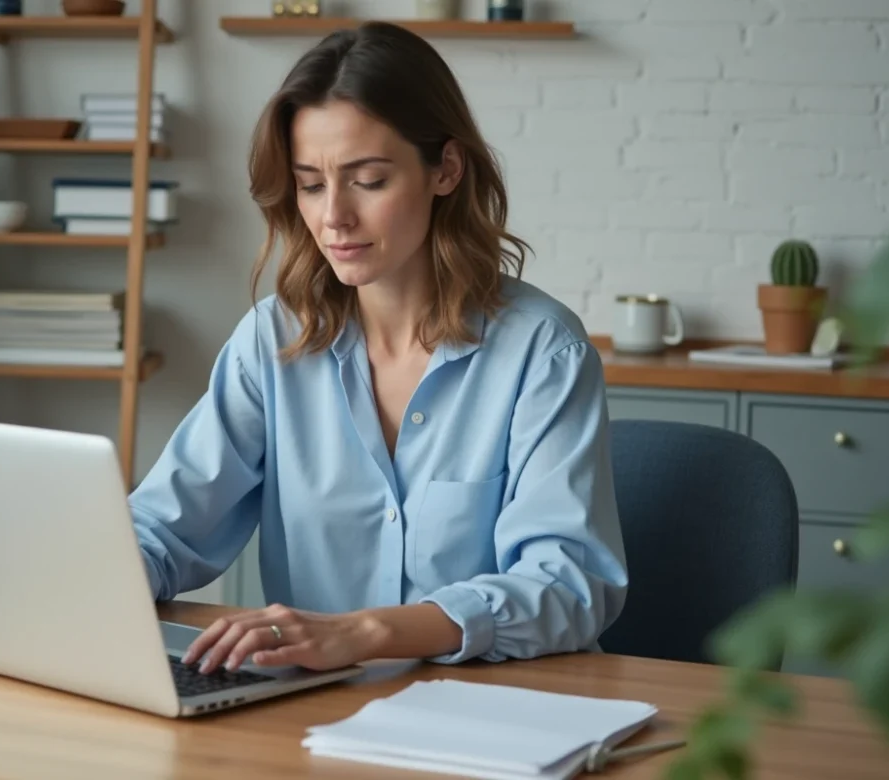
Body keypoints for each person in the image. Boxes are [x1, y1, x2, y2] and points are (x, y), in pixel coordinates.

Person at [128, 21, 628, 676]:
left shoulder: (543, 353)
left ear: (445, 170)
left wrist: (365, 632)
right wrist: (86, 576)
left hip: (499, 718)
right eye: (311, 184)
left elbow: (567, 585)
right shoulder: (271, 341)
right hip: (308, 714)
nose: (334, 216)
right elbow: (163, 528)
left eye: (366, 180)